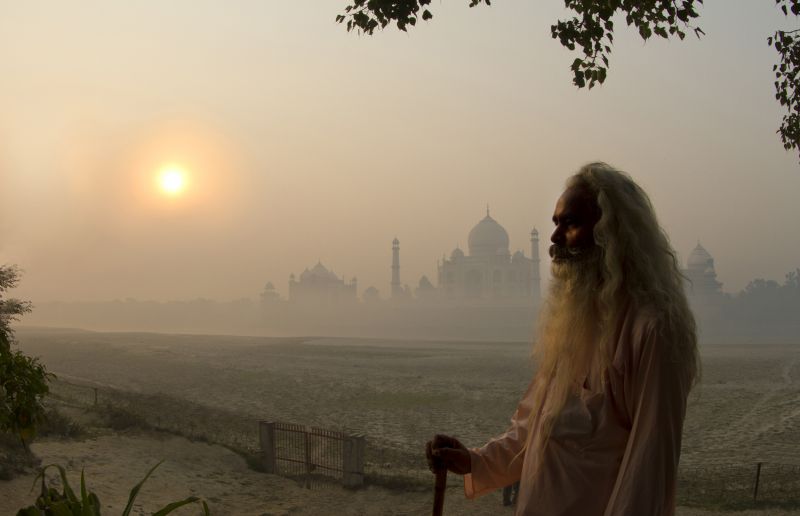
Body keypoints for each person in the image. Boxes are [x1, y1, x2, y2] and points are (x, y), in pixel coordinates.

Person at [426, 163, 699, 516]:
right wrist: (475, 461)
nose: (554, 239)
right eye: (554, 224)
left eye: (569, 224)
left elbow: (647, 473)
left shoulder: (650, 330)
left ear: (612, 234)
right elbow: (534, 431)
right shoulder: (576, 324)